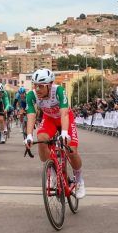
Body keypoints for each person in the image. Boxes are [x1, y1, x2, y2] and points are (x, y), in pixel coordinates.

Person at [22, 68, 86, 199]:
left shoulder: (58, 91)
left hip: (65, 118)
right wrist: (29, 135)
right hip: (49, 119)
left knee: (71, 150)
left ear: (50, 85)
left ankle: (79, 180)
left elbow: (64, 113)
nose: (37, 89)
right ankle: (52, 172)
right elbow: (31, 114)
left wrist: (64, 133)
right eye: (35, 85)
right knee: (41, 138)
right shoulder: (31, 95)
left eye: (41, 86)